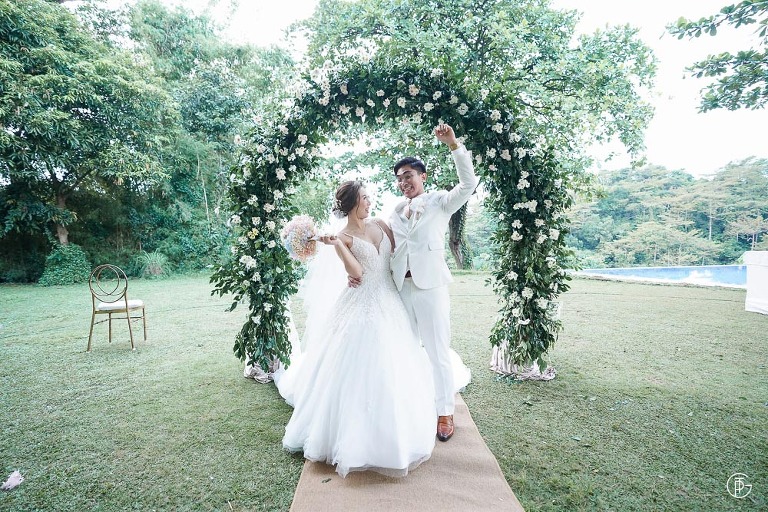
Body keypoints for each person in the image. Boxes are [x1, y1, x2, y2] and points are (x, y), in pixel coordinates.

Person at [276, 180, 438, 478]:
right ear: (351, 203)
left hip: (389, 298)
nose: (369, 202)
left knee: (397, 360)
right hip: (362, 299)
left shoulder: (381, 224)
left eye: (368, 197)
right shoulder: (343, 237)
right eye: (364, 198)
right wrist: (338, 245)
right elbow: (357, 272)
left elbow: (399, 252)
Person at [389, 123, 479, 442]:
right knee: (406, 349)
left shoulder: (440, 201)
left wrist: (454, 145)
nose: (404, 183)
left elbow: (468, 184)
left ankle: (444, 413)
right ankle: (413, 405)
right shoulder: (395, 211)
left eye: (408, 176)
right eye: (399, 179)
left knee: (438, 352)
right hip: (400, 289)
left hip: (431, 288)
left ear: (422, 176)